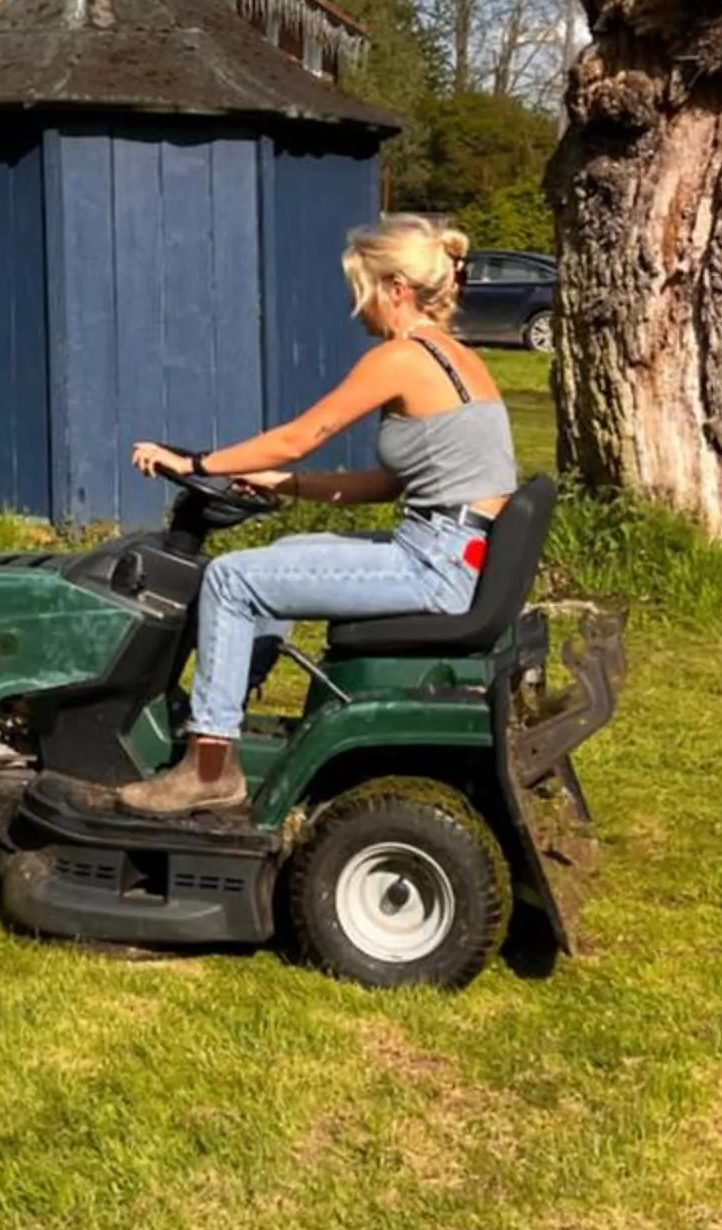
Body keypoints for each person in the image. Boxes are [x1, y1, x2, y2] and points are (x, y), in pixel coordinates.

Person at [120, 215, 519, 816]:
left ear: (395, 289)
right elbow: (392, 483)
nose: (356, 309)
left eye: (360, 290)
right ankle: (227, 710)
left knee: (231, 579)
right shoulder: (457, 359)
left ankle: (209, 767)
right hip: (448, 549)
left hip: (432, 563)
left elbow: (302, 433)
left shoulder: (403, 357)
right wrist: (293, 486)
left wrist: (194, 460)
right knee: (278, 558)